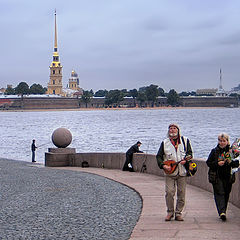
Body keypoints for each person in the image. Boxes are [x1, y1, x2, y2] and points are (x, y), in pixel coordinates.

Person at [156, 123, 193, 221]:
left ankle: (178, 213)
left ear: (178, 130)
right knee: (169, 192)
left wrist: (187, 160)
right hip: (169, 173)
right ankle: (170, 212)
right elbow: (159, 156)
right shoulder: (165, 143)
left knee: (181, 193)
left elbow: (190, 153)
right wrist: (163, 165)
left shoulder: (185, 141)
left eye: (174, 128)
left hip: (182, 172)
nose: (172, 130)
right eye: (170, 129)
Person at [206, 133, 239, 221]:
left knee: (226, 193)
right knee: (219, 192)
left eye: (224, 141)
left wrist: (230, 162)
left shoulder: (232, 152)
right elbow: (208, 163)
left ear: (227, 142)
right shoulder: (214, 151)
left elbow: (237, 164)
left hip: (228, 176)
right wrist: (217, 163)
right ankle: (222, 212)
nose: (222, 143)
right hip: (217, 176)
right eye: (220, 141)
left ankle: (223, 210)